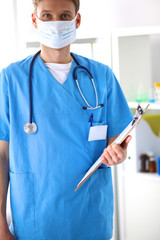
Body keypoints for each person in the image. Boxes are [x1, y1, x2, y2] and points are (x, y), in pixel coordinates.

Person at [0, 0, 133, 239]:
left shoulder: (102, 76)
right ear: (34, 20)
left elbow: (116, 145)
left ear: (77, 20)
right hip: (35, 218)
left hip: (90, 215)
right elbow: (1, 156)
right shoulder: (11, 79)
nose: (56, 23)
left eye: (64, 15)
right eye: (47, 15)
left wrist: (119, 155)